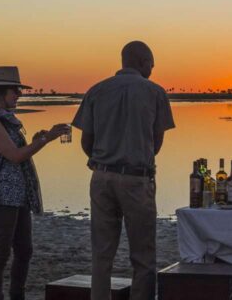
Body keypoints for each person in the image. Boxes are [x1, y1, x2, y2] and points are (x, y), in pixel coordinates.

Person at [71, 41, 175, 300]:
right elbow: (156, 143)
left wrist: (103, 161)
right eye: (151, 64)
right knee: (143, 256)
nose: (152, 69)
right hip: (136, 179)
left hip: (102, 178)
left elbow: (86, 142)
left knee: (102, 255)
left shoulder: (97, 90)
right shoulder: (155, 92)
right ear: (142, 62)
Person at [0, 66, 70, 300]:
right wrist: (45, 139)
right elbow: (15, 156)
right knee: (0, 254)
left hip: (17, 196)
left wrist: (35, 141)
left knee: (24, 251)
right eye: (15, 90)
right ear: (0, 93)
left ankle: (17, 295)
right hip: (0, 198)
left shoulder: (8, 120)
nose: (19, 94)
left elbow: (16, 154)